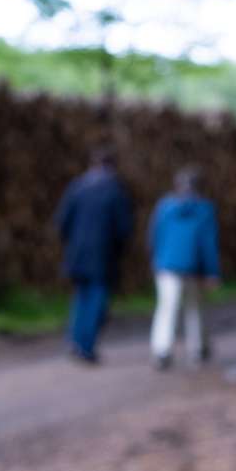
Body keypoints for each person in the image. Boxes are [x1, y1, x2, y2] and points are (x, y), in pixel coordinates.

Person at [54, 147, 135, 365]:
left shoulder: (77, 186)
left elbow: (61, 221)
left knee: (80, 297)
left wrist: (72, 243)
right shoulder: (115, 191)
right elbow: (123, 228)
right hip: (103, 255)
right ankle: (86, 347)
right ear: (112, 166)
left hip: (78, 252)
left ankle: (75, 340)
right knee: (97, 301)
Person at [147, 166, 221, 370]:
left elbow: (154, 235)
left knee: (166, 308)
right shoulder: (204, 208)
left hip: (166, 266)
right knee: (195, 309)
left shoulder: (165, 206)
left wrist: (156, 260)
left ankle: (162, 349)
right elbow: (208, 242)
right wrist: (212, 271)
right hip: (193, 267)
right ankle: (197, 349)